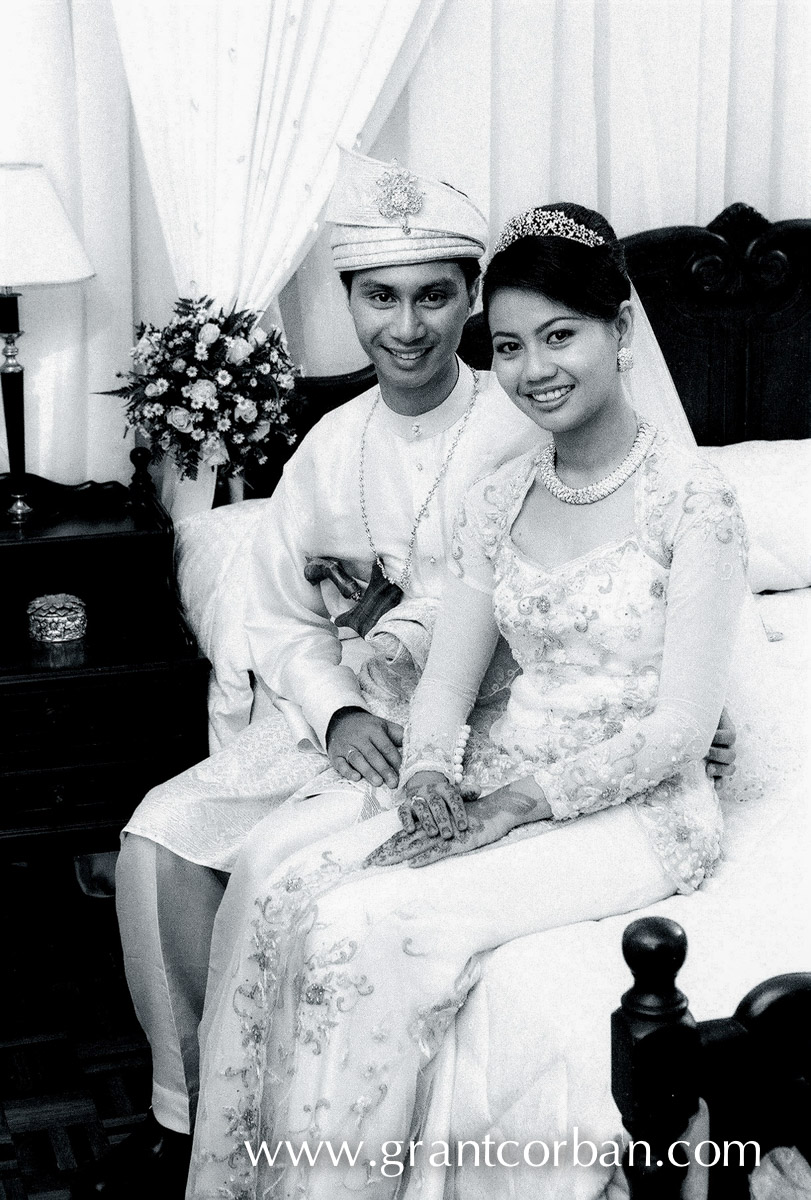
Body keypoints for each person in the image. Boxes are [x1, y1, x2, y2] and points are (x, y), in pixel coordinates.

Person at [184, 202, 752, 1200]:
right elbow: (447, 679)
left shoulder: (692, 501)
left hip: (640, 809)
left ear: (620, 333)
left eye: (562, 336)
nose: (536, 368)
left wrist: (513, 805)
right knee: (296, 898)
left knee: (381, 926)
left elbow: (678, 730)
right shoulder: (499, 497)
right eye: (512, 345)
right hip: (499, 768)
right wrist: (432, 772)